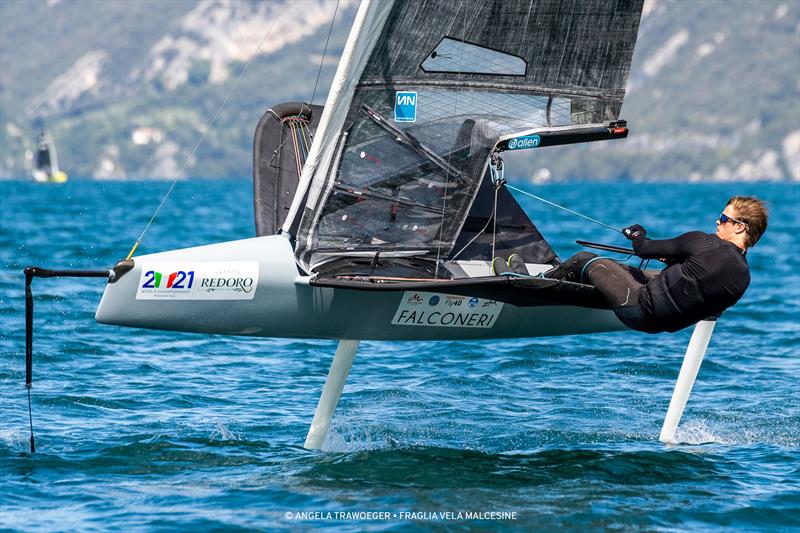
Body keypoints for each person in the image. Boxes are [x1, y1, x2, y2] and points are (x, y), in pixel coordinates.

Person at [545, 196, 768, 333]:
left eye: (723, 218)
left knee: (585, 260)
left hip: (637, 308)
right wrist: (677, 262)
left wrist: (637, 233)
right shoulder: (743, 278)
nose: (717, 222)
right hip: (661, 325)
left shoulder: (705, 242)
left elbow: (643, 248)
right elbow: (697, 290)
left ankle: (539, 284)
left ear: (739, 227)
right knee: (623, 270)